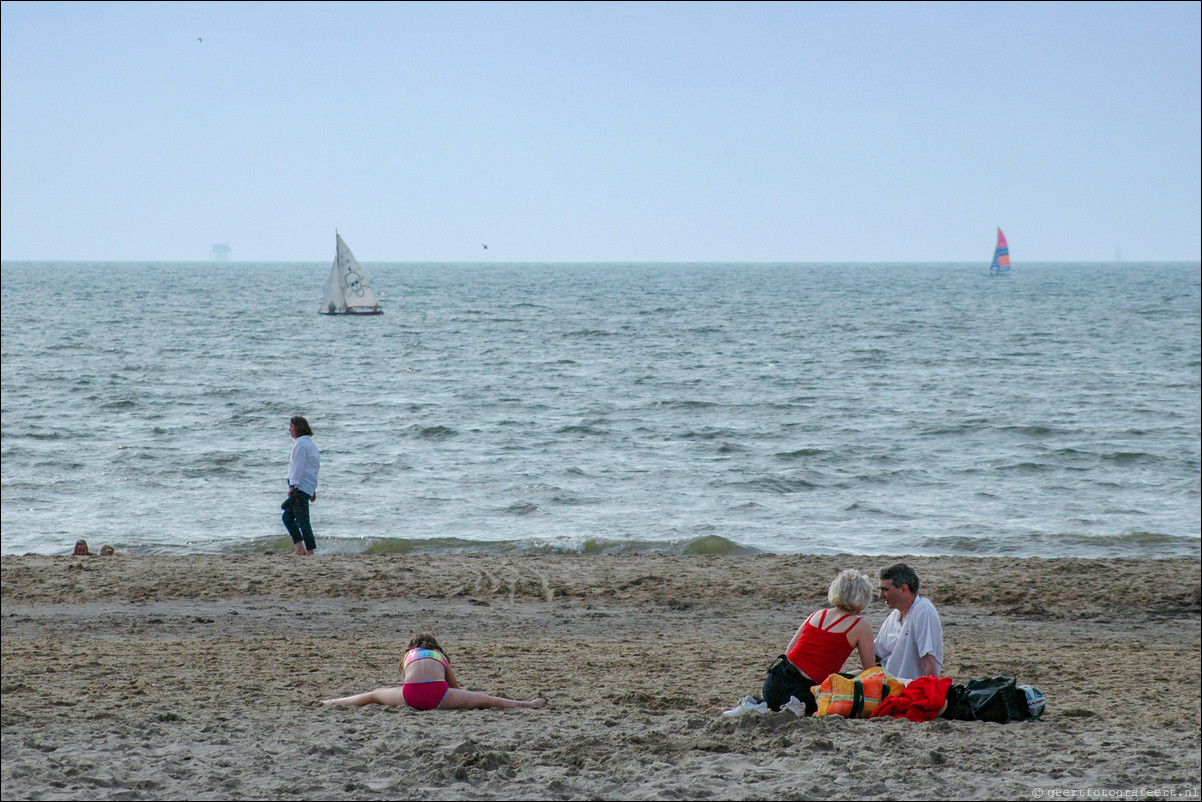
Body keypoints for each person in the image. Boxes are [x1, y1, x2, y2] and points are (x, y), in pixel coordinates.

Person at [322, 633, 547, 711]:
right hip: (438, 694)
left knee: (374, 695)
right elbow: (454, 687)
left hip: (409, 695)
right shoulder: (440, 656)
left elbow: (407, 680)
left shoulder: (408, 655)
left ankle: (332, 702)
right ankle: (527, 704)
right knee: (486, 700)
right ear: (436, 647)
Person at [762, 569, 876, 714]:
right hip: (805, 694)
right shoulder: (861, 626)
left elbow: (788, 652)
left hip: (774, 684)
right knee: (858, 674)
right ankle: (795, 707)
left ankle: (761, 706)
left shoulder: (817, 614)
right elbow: (870, 671)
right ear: (862, 599)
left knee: (847, 674)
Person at [874, 563, 944, 683]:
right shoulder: (895, 616)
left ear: (904, 589)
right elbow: (876, 654)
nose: (881, 596)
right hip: (890, 685)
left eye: (885, 589)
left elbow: (928, 662)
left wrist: (934, 694)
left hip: (910, 689)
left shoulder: (923, 611)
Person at [282, 415, 320, 556]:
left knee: (302, 520)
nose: (289, 430)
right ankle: (300, 547)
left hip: (300, 487)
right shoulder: (310, 445)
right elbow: (313, 469)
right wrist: (313, 489)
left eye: (291, 427)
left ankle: (309, 550)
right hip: (306, 487)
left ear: (297, 428)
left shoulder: (301, 445)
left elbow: (299, 468)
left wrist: (293, 486)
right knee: (289, 517)